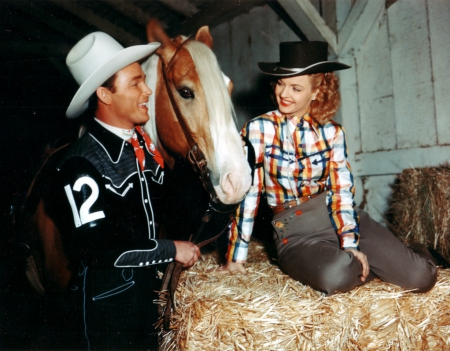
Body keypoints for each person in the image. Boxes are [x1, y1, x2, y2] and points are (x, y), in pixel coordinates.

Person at [218, 41, 437, 296]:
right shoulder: (258, 129)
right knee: (338, 276)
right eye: (280, 83)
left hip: (340, 219)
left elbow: (341, 191)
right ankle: (377, 265)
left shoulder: (333, 133)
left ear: (316, 91)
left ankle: (404, 257)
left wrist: (350, 243)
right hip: (295, 233)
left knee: (421, 278)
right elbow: (249, 194)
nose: (283, 94)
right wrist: (237, 255)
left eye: (296, 88)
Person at [39, 32, 200, 350]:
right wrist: (171, 249)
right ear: (105, 95)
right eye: (135, 83)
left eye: (144, 80)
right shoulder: (80, 163)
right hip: (108, 313)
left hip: (146, 302)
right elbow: (97, 249)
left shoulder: (141, 145)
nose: (147, 90)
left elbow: (170, 204)